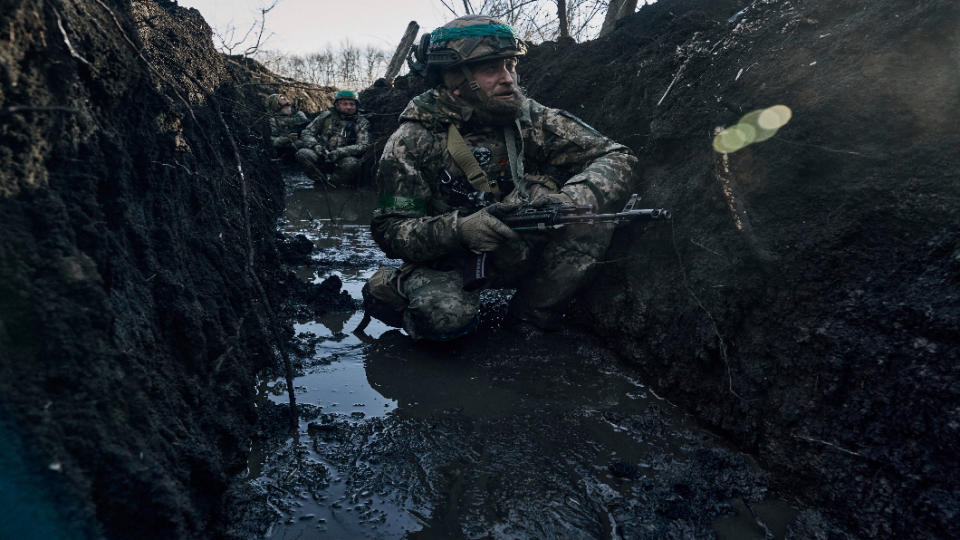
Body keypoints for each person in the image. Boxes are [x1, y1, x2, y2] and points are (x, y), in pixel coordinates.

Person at [361, 15, 638, 341]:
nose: (508, 79)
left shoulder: (528, 116)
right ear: (455, 78)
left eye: (510, 65)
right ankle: (392, 290)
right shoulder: (413, 139)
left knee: (587, 218)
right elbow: (391, 230)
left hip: (517, 243)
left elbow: (617, 156)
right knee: (443, 319)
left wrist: (568, 200)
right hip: (447, 262)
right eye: (492, 69)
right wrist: (460, 229)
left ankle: (529, 321)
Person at [295, 89, 372, 186]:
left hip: (343, 159)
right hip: (322, 155)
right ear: (337, 105)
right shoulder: (326, 116)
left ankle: (334, 185)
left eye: (352, 104)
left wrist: (340, 152)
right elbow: (307, 132)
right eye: (345, 104)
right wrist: (316, 146)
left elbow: (364, 145)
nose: (349, 107)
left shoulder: (362, 122)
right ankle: (321, 182)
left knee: (352, 163)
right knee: (303, 153)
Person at [266, 93, 309, 160]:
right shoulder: (274, 120)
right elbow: (273, 142)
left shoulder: (299, 114)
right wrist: (286, 138)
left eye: (288, 105)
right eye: (285, 107)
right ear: (277, 108)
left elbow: (308, 128)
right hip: (287, 148)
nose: (289, 108)